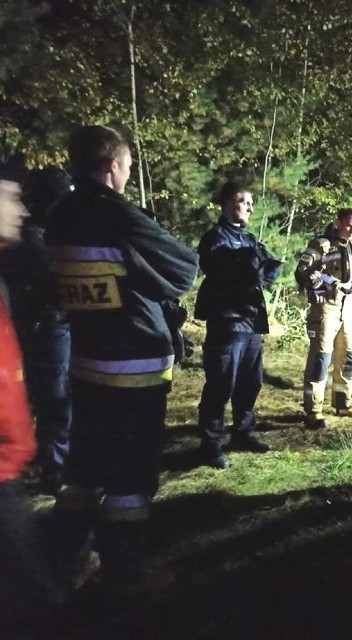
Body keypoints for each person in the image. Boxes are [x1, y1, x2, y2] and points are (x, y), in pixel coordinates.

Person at [45, 125, 198, 593]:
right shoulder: (119, 215)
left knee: (83, 472)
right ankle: (125, 572)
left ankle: (66, 559)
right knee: (131, 480)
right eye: (128, 166)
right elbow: (184, 268)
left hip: (87, 362)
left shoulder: (60, 216)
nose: (129, 175)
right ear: (112, 165)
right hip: (135, 367)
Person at [0, 162, 65, 626]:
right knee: (35, 607)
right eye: (9, 195)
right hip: (2, 473)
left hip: (10, 468)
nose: (19, 207)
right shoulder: (33, 251)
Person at [194, 181, 282, 469]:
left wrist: (257, 270)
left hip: (251, 319)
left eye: (251, 202)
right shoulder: (215, 238)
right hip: (228, 321)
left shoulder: (249, 239)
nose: (250, 207)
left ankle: (242, 433)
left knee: (251, 381)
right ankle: (210, 442)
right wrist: (249, 267)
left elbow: (268, 267)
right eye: (244, 201)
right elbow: (224, 267)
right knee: (221, 383)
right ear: (228, 203)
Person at [0, 167, 74, 492]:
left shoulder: (39, 236)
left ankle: (48, 461)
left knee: (49, 398)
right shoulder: (33, 241)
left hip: (48, 327)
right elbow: (53, 288)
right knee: (54, 400)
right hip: (48, 329)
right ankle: (53, 468)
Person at [295, 208, 352, 429]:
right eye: (349, 225)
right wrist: (316, 280)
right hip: (326, 306)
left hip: (348, 306)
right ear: (338, 223)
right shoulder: (321, 245)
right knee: (321, 358)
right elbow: (302, 272)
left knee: (349, 357)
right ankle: (313, 410)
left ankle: (344, 403)